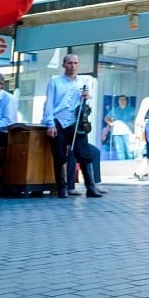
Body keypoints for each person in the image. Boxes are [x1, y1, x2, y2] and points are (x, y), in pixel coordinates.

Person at [41, 54, 103, 199]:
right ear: (64, 65)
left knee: (84, 155)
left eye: (75, 63)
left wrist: (87, 97)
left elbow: (88, 105)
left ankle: (90, 188)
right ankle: (62, 188)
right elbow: (48, 104)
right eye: (70, 63)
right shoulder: (54, 82)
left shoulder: (83, 82)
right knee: (59, 156)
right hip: (58, 122)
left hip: (76, 123)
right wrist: (50, 124)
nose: (73, 66)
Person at [102, 95, 135, 160]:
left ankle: (130, 166)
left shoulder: (132, 109)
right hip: (116, 133)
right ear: (118, 101)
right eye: (120, 100)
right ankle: (122, 167)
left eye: (124, 99)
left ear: (126, 101)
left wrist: (133, 123)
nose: (122, 101)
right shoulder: (115, 109)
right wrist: (110, 124)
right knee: (120, 151)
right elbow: (106, 118)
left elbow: (137, 118)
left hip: (128, 133)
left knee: (129, 151)